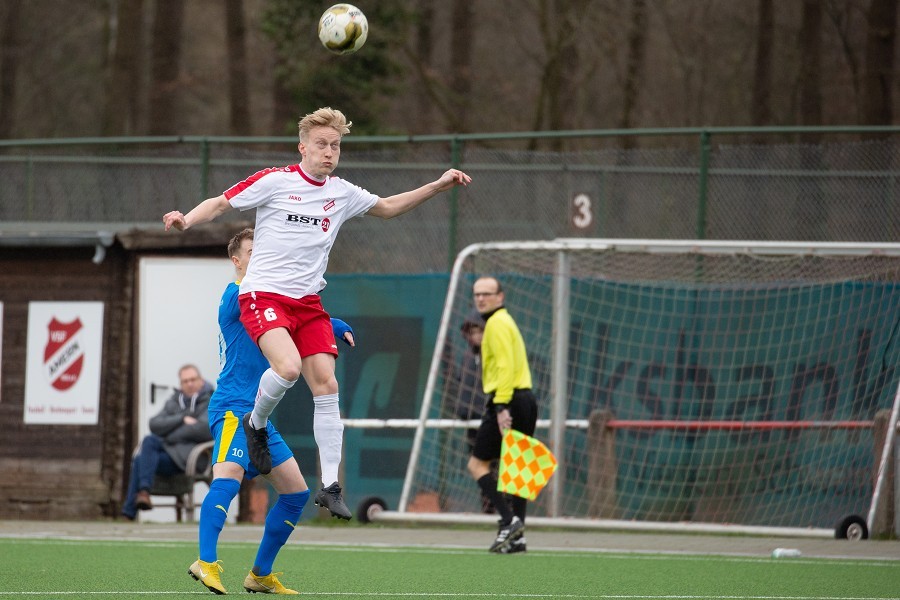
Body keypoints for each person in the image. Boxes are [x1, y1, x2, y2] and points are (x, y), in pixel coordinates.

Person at [163, 107, 472, 520]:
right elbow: (220, 203)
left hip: (308, 302)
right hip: (265, 296)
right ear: (303, 147)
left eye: (336, 146)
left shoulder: (341, 193)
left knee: (326, 385)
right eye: (322, 145)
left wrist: (437, 185)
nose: (329, 153)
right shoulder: (275, 181)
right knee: (288, 369)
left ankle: (329, 486)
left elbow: (388, 207)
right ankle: (255, 424)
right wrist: (187, 219)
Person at [189, 228, 356, 595]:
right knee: (228, 477)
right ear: (237, 260)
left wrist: (331, 324)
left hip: (259, 416)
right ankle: (205, 561)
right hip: (234, 408)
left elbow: (292, 324)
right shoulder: (236, 295)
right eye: (253, 251)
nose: (262, 255)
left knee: (296, 493)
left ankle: (260, 574)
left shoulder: (268, 305)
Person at [466, 276, 538, 554]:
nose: (481, 298)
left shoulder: (495, 323)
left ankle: (509, 521)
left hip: (508, 399)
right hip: (526, 399)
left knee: (477, 465)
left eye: (487, 293)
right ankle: (518, 538)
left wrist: (501, 406)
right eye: (477, 294)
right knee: (517, 469)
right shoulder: (505, 321)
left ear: (500, 296)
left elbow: (506, 368)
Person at [122, 364, 214, 521]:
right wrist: (181, 419)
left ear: (201, 380)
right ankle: (143, 493)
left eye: (193, 379)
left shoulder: (211, 400)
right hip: (170, 454)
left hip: (193, 457)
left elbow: (203, 429)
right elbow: (155, 424)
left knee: (142, 457)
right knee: (148, 442)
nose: (189, 384)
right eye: (185, 381)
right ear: (181, 384)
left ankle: (130, 511)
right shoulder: (175, 401)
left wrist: (169, 434)